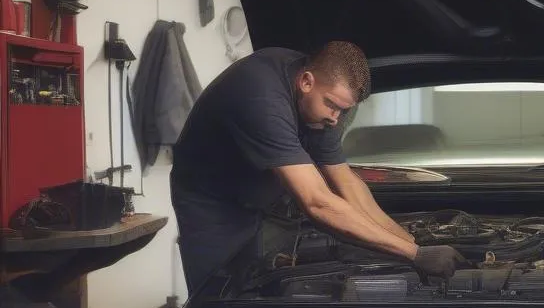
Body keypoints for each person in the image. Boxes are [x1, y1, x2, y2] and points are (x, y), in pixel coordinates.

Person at [170, 40, 465, 293]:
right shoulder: (260, 98)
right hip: (211, 204)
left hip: (263, 198)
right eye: (332, 106)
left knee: (273, 287)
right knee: (220, 301)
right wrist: (413, 255)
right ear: (306, 81)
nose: (336, 119)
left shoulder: (324, 103)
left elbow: (346, 183)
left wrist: (411, 242)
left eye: (344, 110)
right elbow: (318, 203)